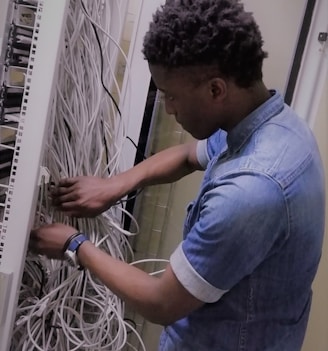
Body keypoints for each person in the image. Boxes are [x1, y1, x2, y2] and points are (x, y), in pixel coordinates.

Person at [29, 0, 325, 350]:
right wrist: (114, 185)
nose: (168, 109)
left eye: (171, 96)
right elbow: (187, 156)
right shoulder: (276, 126)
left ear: (216, 89)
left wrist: (74, 245)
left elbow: (162, 302)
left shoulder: (251, 191)